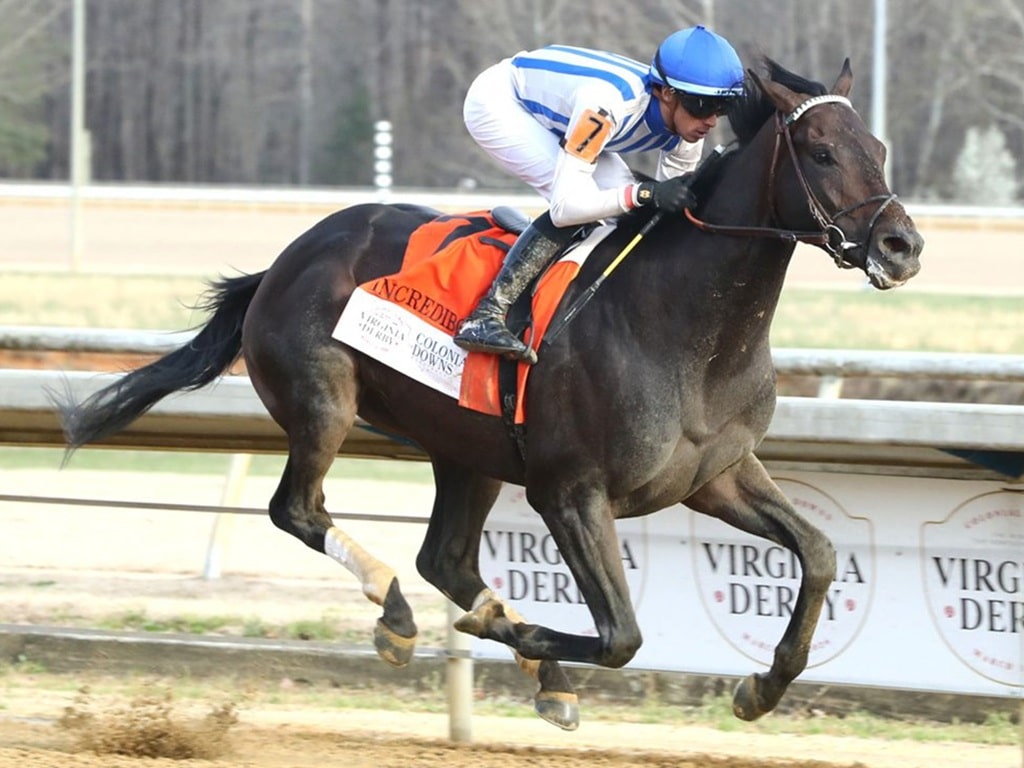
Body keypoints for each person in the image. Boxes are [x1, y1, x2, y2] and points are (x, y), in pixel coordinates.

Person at [453, 25, 744, 364]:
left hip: (559, 113)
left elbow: (668, 216)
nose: (710, 120)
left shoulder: (687, 126)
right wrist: (645, 193)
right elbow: (566, 208)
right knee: (586, 203)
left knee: (626, 208)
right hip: (501, 103)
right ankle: (487, 313)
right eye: (702, 105)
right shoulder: (606, 106)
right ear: (666, 93)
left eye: (721, 108)